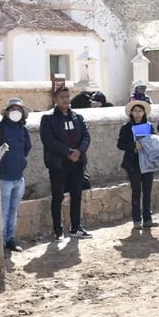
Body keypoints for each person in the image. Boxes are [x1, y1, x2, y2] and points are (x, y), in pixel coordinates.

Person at [39, 85, 92, 240]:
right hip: (58, 164)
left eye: (68, 97)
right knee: (58, 196)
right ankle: (58, 229)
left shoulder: (77, 117)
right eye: (62, 97)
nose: (66, 100)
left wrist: (79, 152)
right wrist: (68, 152)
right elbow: (48, 140)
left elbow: (86, 137)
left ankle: (76, 227)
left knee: (76, 195)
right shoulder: (48, 119)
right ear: (55, 99)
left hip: (77, 163)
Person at [0, 98, 31, 254]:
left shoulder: (23, 130)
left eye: (19, 109)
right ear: (7, 112)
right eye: (13, 109)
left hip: (19, 177)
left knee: (13, 211)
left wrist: (20, 162)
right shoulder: (0, 130)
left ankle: (10, 239)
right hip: (4, 178)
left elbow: (26, 148)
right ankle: (1, 242)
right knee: (3, 212)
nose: (16, 111)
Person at [118, 99, 156, 229]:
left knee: (147, 191)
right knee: (136, 191)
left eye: (140, 111)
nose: (138, 113)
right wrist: (133, 145)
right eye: (135, 111)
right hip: (133, 163)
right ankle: (136, 220)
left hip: (148, 163)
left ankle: (148, 218)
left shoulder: (149, 126)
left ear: (144, 112)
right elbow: (120, 144)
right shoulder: (126, 127)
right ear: (131, 113)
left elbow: (155, 141)